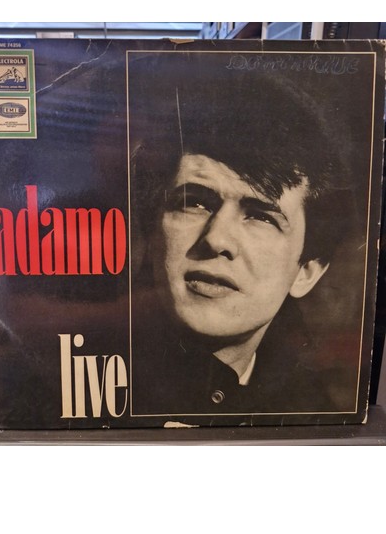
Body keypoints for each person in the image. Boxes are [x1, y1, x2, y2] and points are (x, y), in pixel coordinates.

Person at [129, 68, 353, 423]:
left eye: (261, 217)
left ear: (306, 272)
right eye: (195, 203)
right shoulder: (69, 385)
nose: (217, 239)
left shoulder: (315, 419)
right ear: (150, 232)